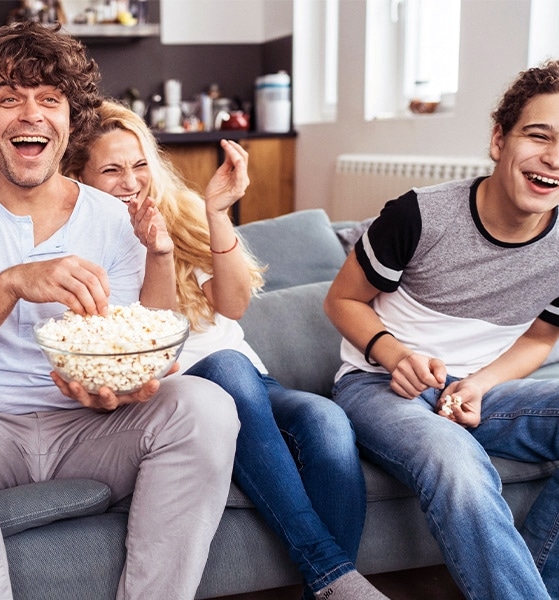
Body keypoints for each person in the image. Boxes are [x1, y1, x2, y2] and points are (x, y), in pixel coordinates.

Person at [0, 22, 240, 600]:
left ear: (71, 121)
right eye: (9, 99)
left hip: (89, 429)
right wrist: (14, 282)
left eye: (50, 99)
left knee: (205, 404)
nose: (31, 115)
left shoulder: (110, 216)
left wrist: (120, 386)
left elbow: (128, 346)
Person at [62, 100, 387, 600]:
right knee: (227, 367)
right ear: (78, 177)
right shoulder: (80, 246)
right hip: (183, 397)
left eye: (140, 164)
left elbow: (233, 305)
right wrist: (155, 253)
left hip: (252, 384)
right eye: (111, 170)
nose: (131, 181)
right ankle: (331, 573)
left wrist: (216, 213)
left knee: (327, 421)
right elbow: (151, 344)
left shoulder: (181, 211)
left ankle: (325, 589)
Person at [323, 59, 559, 600]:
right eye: (538, 136)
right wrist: (393, 354)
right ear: (499, 139)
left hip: (478, 392)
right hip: (377, 385)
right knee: (456, 460)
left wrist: (478, 385)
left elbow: (542, 338)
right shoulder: (417, 216)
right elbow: (342, 300)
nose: (556, 159)